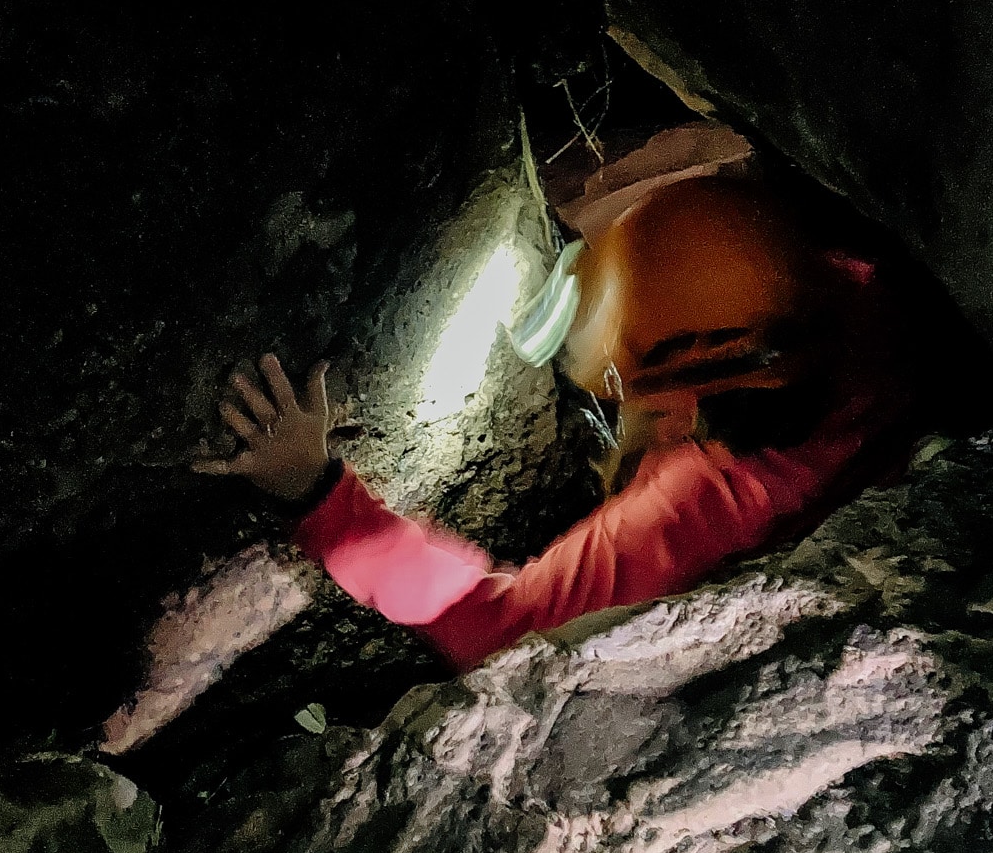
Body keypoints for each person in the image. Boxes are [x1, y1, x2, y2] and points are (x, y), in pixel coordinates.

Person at [194, 160, 919, 674]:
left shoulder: (692, 511)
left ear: (690, 404)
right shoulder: (872, 298)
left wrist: (317, 492)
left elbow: (495, 627)